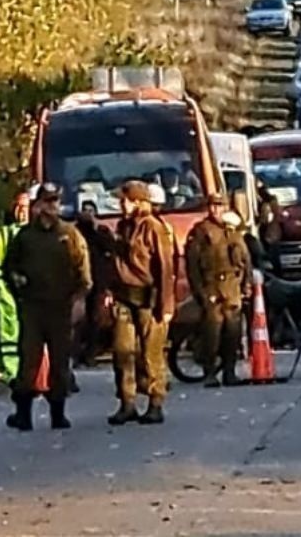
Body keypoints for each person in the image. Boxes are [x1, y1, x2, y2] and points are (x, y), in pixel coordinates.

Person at [3, 183, 92, 431]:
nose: (52, 207)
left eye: (55, 202)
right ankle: (23, 414)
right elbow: (9, 267)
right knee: (28, 361)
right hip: (32, 307)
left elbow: (83, 271)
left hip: (61, 307)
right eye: (47, 201)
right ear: (38, 204)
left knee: (60, 361)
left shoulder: (69, 234)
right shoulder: (25, 236)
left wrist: (80, 299)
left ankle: (58, 414)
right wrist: (18, 289)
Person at [107, 180, 175, 425]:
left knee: (150, 354)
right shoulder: (123, 227)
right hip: (123, 297)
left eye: (124, 200)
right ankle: (127, 402)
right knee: (122, 351)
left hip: (148, 297)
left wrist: (166, 305)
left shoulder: (153, 228)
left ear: (138, 202)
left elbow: (165, 268)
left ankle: (155, 401)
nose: (120, 205)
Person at [185, 194, 251, 387]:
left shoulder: (233, 230)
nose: (215, 210)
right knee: (211, 334)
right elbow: (193, 265)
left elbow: (245, 259)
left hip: (232, 286)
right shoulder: (201, 231)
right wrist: (200, 292)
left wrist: (246, 284)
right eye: (212, 206)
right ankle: (210, 373)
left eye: (219, 206)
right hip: (211, 286)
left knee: (233, 333)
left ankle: (229, 372)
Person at [0, 192, 30, 380]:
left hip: (32, 291)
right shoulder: (4, 234)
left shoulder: (36, 233)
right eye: (19, 207)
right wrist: (2, 289)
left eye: (26, 207)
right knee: (9, 332)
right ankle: (12, 371)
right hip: (8, 290)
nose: (22, 212)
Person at [73, 200, 116, 367]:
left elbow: (111, 252)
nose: (87, 213)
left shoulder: (101, 232)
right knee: (76, 320)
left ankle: (90, 354)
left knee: (95, 320)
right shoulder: (74, 232)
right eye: (85, 210)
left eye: (91, 210)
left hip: (98, 281)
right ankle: (75, 354)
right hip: (78, 281)